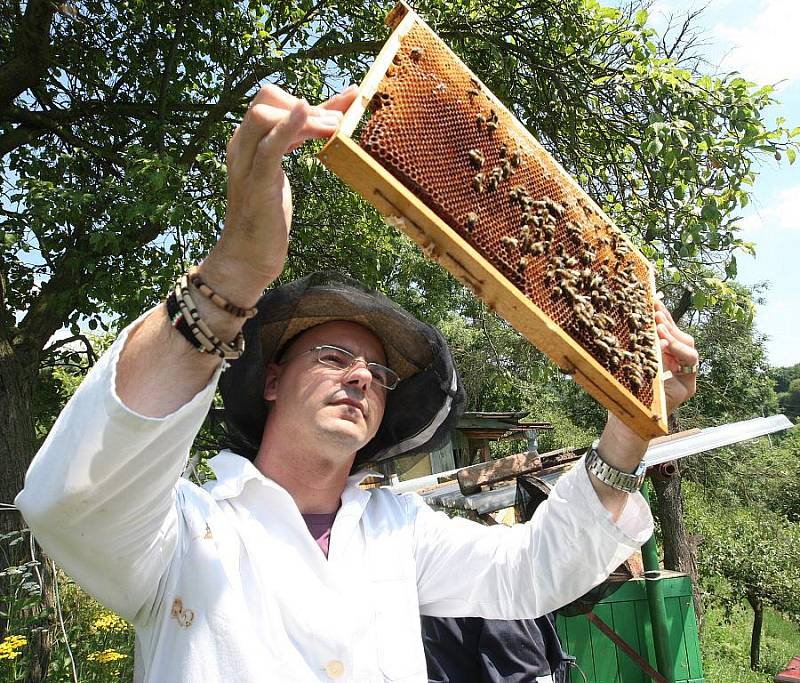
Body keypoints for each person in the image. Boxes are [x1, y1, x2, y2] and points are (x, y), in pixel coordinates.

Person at [15, 84, 699, 682]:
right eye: (334, 356)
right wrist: (233, 271)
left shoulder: (400, 530)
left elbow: (532, 569)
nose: (360, 377)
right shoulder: (183, 532)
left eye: (377, 371)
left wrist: (632, 422)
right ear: (273, 379)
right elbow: (71, 498)